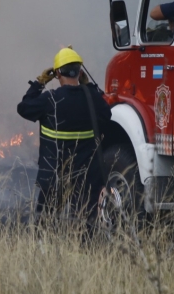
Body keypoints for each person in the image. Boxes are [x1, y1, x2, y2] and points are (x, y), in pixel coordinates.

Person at [17, 47, 112, 223]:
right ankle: (84, 248)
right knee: (86, 222)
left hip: (55, 174)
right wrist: (88, 86)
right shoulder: (92, 98)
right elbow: (107, 113)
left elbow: (23, 108)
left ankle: (43, 247)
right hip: (86, 176)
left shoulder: (49, 99)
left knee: (44, 220)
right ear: (81, 72)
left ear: (57, 73)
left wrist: (39, 82)